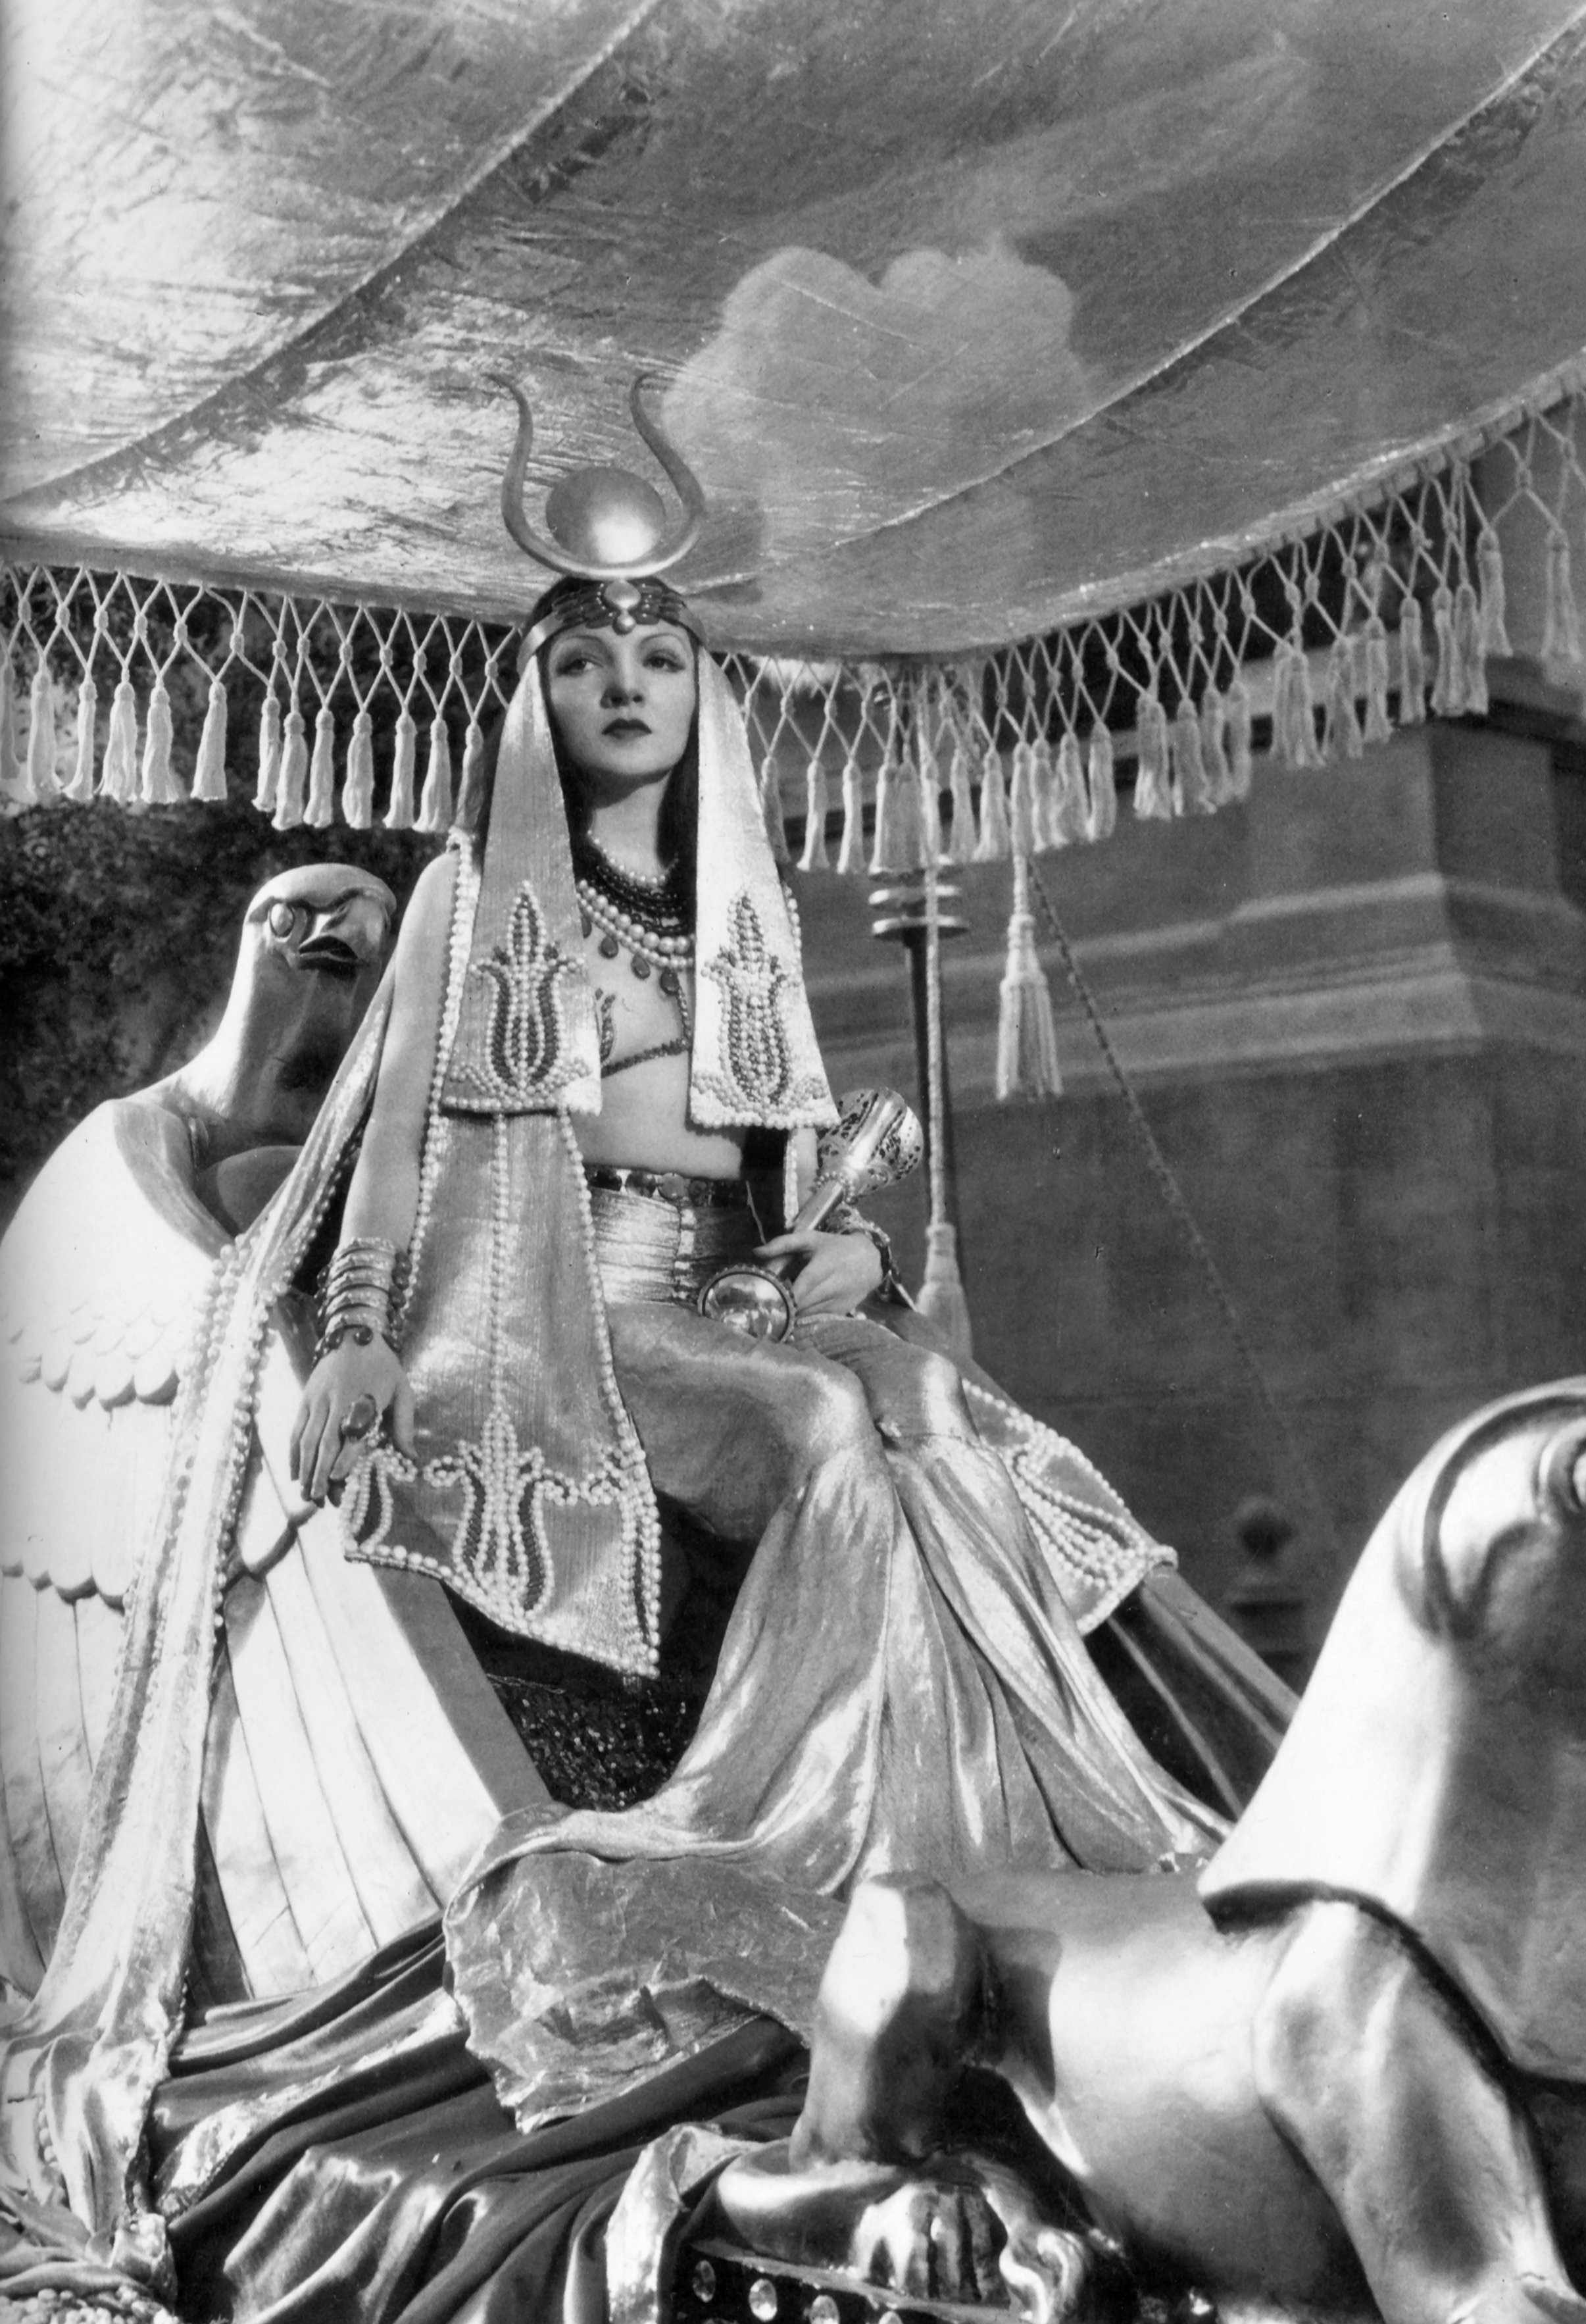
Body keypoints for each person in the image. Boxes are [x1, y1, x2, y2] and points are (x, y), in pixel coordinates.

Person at [287, 563, 1217, 1926]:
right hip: (563, 1305)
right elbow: (392, 1144)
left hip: (738, 1288)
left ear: (703, 698)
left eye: (660, 661)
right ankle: (787, 1824)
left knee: (931, 1395)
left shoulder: (744, 903)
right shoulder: (470, 893)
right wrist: (360, 1332)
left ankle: (1030, 1813)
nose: (625, 686)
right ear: (534, 703)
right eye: (583, 663)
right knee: (818, 1421)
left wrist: (859, 1259)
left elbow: (796, 1147)